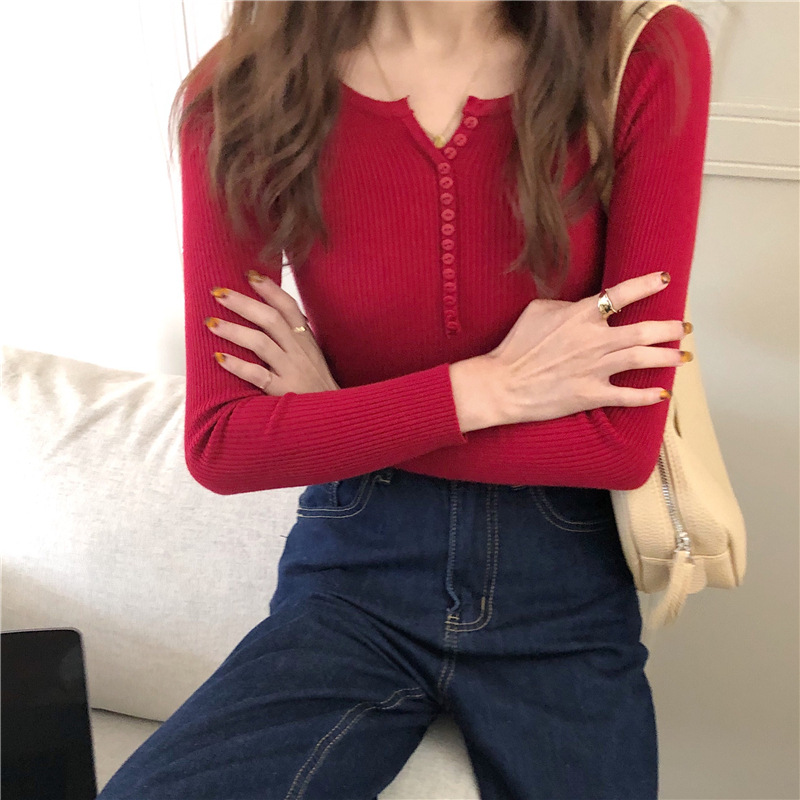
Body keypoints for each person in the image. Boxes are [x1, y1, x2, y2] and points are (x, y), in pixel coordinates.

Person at [98, 1, 711, 798]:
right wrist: (490, 388)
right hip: (355, 574)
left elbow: (617, 445)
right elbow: (224, 444)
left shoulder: (642, 54)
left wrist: (342, 415)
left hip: (562, 584)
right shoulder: (245, 89)